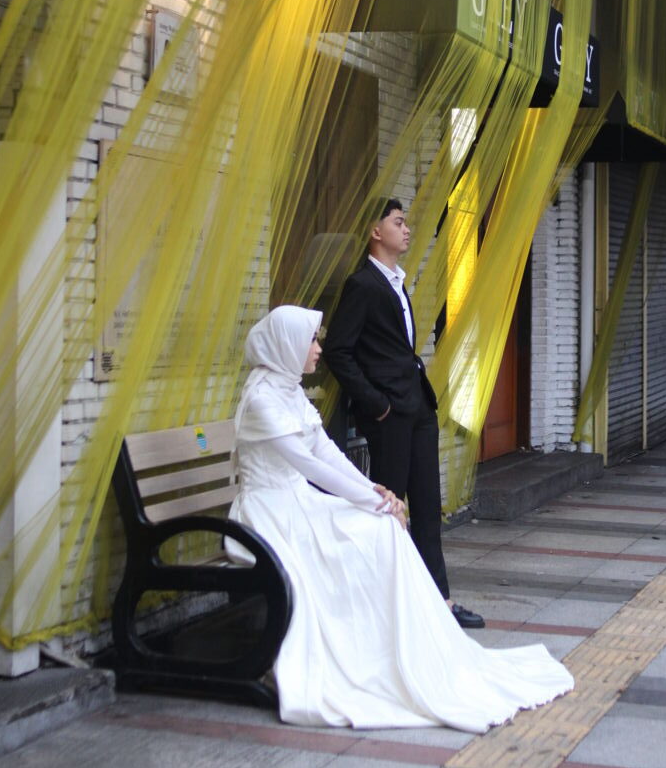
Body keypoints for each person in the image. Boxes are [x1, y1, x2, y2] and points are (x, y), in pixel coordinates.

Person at [226, 304, 573, 732]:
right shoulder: (262, 399)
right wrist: (374, 500)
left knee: (383, 525)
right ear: (286, 345)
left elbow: (326, 452)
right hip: (269, 513)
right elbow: (308, 465)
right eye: (312, 340)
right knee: (374, 525)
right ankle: (370, 651)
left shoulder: (290, 390)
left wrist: (376, 491)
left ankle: (399, 647)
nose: (318, 349)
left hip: (300, 503)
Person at [323, 198, 482, 627]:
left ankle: (440, 603)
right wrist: (376, 404)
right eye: (398, 222)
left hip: (419, 407)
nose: (407, 229)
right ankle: (385, 605)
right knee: (390, 509)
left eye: (406, 222)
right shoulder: (362, 285)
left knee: (428, 508)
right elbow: (338, 351)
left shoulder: (397, 281)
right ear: (376, 232)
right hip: (390, 414)